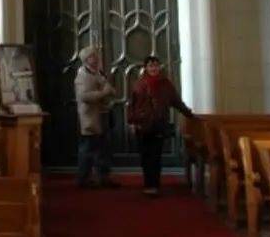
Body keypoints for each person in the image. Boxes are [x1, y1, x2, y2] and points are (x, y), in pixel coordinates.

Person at [128, 55, 195, 197]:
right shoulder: (139, 84)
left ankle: (155, 185)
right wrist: (132, 122)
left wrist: (189, 114)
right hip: (142, 124)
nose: (153, 68)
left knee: (156, 155)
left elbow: (177, 101)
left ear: (159, 68)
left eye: (155, 66)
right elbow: (133, 105)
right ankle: (148, 184)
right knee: (145, 156)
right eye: (150, 66)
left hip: (158, 123)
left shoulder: (166, 84)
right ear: (145, 68)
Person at [74, 45, 118, 189]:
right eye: (93, 56)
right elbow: (84, 96)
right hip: (91, 117)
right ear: (86, 59)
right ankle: (83, 179)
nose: (96, 58)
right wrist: (104, 93)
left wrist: (109, 90)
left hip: (102, 114)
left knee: (103, 149)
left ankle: (104, 177)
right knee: (88, 149)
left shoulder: (97, 72)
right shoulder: (83, 75)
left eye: (96, 56)